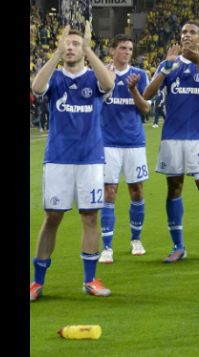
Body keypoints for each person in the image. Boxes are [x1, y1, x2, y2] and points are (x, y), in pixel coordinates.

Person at [30, 21, 116, 301]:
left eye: (75, 43)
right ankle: (37, 281)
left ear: (85, 48)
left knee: (90, 216)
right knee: (52, 217)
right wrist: (55, 54)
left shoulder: (93, 78)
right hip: (58, 159)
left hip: (90, 159)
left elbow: (109, 83)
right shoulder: (55, 78)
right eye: (66, 42)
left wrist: (89, 50)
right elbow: (36, 86)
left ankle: (90, 279)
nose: (70, 47)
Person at [142, 23, 199, 263]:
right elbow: (147, 95)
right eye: (183, 33)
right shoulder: (169, 63)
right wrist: (165, 69)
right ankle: (178, 246)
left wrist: (198, 62)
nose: (187, 36)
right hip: (172, 137)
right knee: (174, 188)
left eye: (192, 33)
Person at [98, 35, 151, 264]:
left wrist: (133, 90)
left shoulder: (140, 75)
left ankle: (136, 240)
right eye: (122, 48)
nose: (127, 52)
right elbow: (95, 103)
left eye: (130, 48)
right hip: (108, 142)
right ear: (112, 50)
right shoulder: (101, 74)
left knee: (136, 191)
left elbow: (145, 109)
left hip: (134, 142)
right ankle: (107, 247)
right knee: (109, 191)